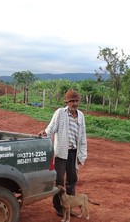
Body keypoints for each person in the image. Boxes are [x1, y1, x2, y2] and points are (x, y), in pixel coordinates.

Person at [38, 88, 88, 217]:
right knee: (59, 180)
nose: (74, 104)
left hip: (73, 153)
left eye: (76, 101)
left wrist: (81, 155)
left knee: (72, 178)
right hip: (61, 153)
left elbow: (83, 137)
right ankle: (58, 207)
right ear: (66, 102)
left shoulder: (81, 116)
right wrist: (45, 133)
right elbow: (51, 127)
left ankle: (69, 205)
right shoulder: (60, 113)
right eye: (72, 101)